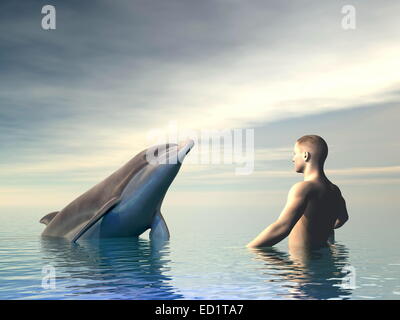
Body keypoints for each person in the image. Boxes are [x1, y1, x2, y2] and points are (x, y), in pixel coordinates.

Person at [247, 135, 349, 249]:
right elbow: (342, 219)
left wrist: (249, 248)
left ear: (306, 156)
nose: (293, 159)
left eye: (295, 154)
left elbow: (282, 227)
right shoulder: (334, 190)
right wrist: (322, 228)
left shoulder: (303, 188)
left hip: (301, 264)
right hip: (325, 259)